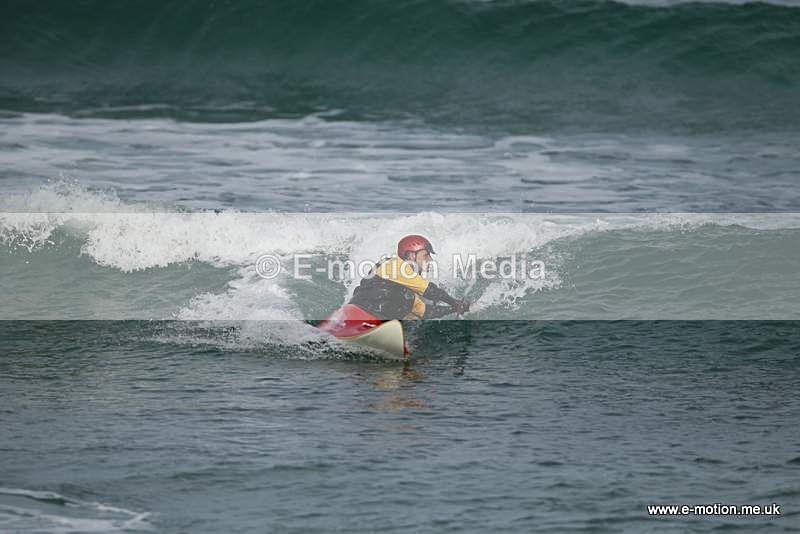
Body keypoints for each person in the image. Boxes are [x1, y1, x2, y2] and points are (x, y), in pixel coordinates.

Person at [348, 234, 470, 320]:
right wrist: (455, 302)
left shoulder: (408, 289)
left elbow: (424, 312)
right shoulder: (394, 264)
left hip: (378, 321)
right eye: (426, 255)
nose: (431, 260)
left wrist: (453, 309)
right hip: (360, 312)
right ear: (411, 256)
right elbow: (429, 290)